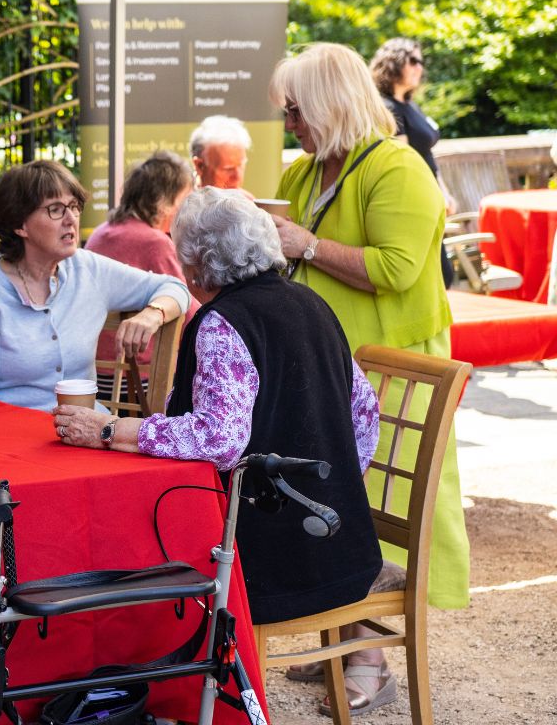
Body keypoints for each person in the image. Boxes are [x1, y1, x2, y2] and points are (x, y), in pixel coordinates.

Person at [52, 188, 387, 711]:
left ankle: (151, 692)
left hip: (265, 560)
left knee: (135, 541)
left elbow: (219, 439)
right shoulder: (314, 304)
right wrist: (330, 481)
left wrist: (109, 431)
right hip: (341, 543)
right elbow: (365, 414)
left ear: (194, 264)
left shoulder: (223, 323)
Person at [269, 42, 464, 714]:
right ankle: (343, 641)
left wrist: (306, 245)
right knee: (323, 508)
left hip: (387, 373)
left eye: (296, 111)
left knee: (370, 516)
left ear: (330, 103)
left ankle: (369, 659)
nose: (289, 124)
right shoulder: (305, 172)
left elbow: (397, 269)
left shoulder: (398, 167)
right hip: (324, 367)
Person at [0, 160, 190, 411]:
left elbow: (175, 287)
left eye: (74, 207)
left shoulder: (87, 268)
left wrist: (153, 313)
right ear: (20, 224)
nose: (70, 219)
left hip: (85, 431)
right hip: (11, 434)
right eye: (55, 209)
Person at [85, 151, 199, 396]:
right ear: (163, 202)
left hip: (94, 371)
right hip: (136, 378)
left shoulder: (102, 231)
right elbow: (191, 313)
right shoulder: (153, 242)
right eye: (184, 199)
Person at [369, 37, 456, 286]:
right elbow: (404, 161)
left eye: (421, 62)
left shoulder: (410, 105)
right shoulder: (387, 108)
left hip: (431, 193)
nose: (420, 67)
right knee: (437, 274)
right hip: (414, 196)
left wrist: (444, 191)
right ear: (393, 63)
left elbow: (428, 155)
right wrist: (432, 194)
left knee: (442, 273)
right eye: (413, 60)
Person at [189, 115, 251, 190]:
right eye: (228, 169)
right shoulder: (180, 200)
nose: (237, 178)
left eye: (241, 166)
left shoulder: (248, 200)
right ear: (199, 166)